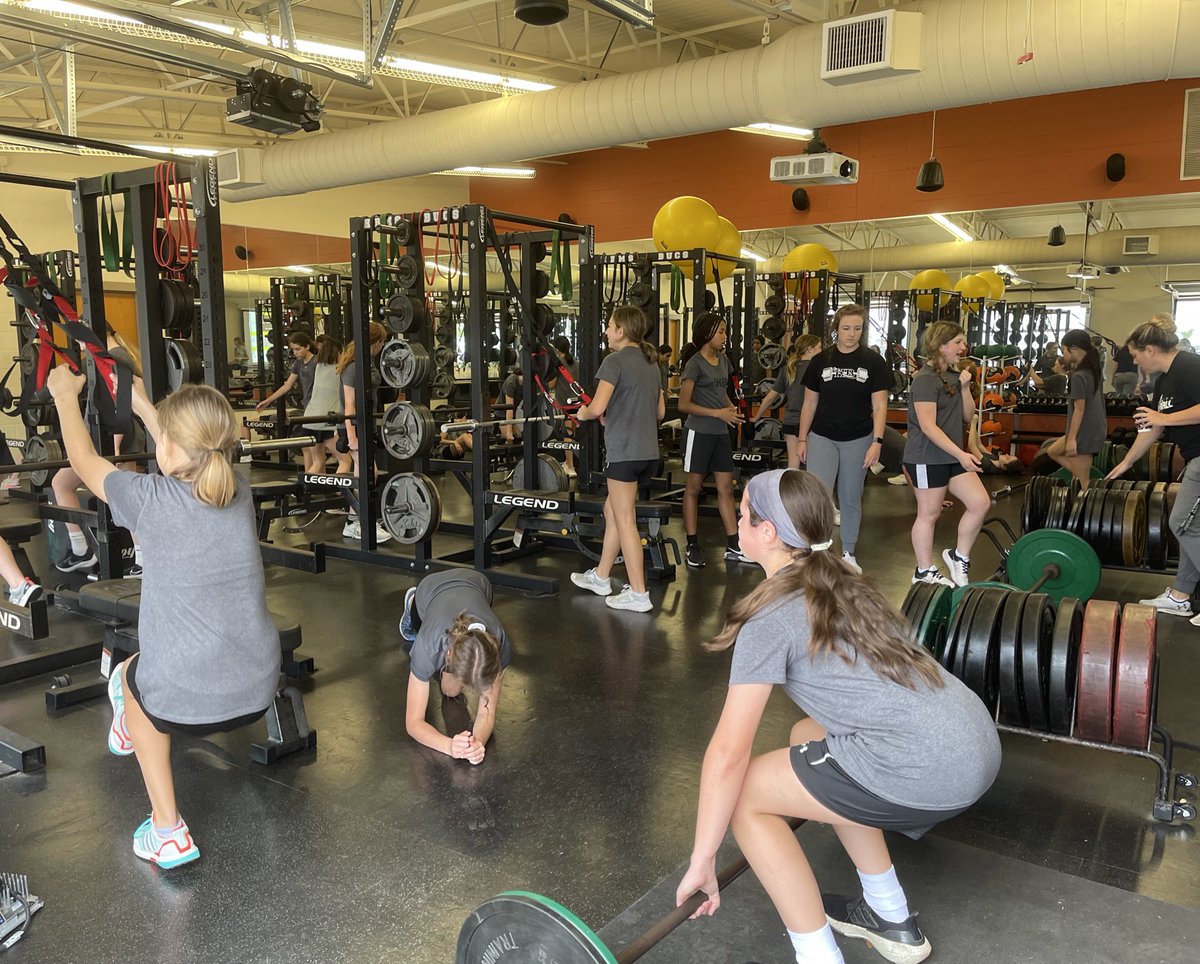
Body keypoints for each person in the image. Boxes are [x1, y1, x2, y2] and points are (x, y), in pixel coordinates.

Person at [676, 469, 1001, 964]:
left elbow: (728, 754)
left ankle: (818, 957)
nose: (736, 522)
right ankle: (889, 913)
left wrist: (704, 858)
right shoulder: (843, 578)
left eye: (743, 514)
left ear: (768, 533)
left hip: (927, 768)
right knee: (806, 734)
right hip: (975, 743)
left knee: (742, 797)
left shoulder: (769, 618)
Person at [46, 368, 279, 868]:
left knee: (135, 687)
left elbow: (83, 461)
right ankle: (128, 713)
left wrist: (64, 395)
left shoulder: (148, 498)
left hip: (186, 695)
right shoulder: (237, 490)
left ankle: (168, 830)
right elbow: (193, 448)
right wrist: (144, 406)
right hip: (260, 687)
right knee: (130, 672)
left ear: (169, 444)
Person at [571, 305, 665, 613]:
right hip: (648, 453)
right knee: (612, 510)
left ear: (621, 331)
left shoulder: (614, 361)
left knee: (625, 519)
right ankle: (601, 577)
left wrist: (582, 413)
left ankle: (638, 594)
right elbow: (660, 412)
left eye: (610, 326)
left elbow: (596, 408)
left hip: (625, 453)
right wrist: (616, 415)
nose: (606, 331)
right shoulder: (651, 363)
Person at [1108, 315, 1200, 622]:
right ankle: (1181, 596)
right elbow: (1153, 428)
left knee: (1181, 523)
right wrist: (1126, 462)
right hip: (1194, 458)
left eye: (1135, 356)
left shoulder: (1189, 366)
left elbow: (1163, 420)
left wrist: (1164, 418)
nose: (1135, 362)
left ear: (1150, 350)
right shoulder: (1163, 381)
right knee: (1192, 527)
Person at [796, 304, 892, 574]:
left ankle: (849, 552)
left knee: (850, 496)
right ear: (836, 328)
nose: (852, 334)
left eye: (857, 328)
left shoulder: (873, 362)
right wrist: (802, 439)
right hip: (822, 436)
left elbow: (880, 406)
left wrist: (877, 441)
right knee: (818, 498)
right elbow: (809, 403)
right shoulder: (821, 360)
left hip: (858, 437)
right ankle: (817, 551)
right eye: (846, 328)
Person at [51, 323, 145, 576]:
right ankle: (82, 550)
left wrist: (115, 449)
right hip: (103, 439)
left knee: (125, 499)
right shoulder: (110, 356)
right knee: (63, 484)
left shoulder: (115, 358)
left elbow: (120, 405)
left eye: (79, 339)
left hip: (114, 439)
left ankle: (142, 559)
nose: (78, 345)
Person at [903, 322, 989, 587]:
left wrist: (965, 388)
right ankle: (923, 570)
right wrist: (962, 454)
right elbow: (928, 427)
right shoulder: (925, 380)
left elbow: (967, 416)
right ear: (941, 346)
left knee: (980, 503)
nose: (964, 347)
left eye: (963, 342)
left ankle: (958, 556)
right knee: (928, 514)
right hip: (926, 457)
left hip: (951, 456)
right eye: (958, 342)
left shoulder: (954, 376)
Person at [398, 570, 510, 764]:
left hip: (478, 583)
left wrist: (477, 744)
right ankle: (411, 602)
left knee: (451, 691)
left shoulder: (499, 642)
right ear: (448, 654)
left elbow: (487, 713)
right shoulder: (428, 644)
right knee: (450, 690)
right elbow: (413, 722)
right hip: (429, 589)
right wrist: (449, 746)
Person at [678, 312, 746, 570]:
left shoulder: (724, 361)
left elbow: (721, 394)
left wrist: (730, 410)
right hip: (699, 432)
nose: (724, 336)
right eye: (721, 332)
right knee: (694, 489)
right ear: (707, 334)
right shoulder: (694, 364)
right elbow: (684, 405)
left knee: (726, 488)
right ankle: (692, 544)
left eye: (725, 331)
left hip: (720, 433)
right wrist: (718, 413)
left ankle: (734, 545)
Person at [338, 322, 392, 544]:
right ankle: (359, 523)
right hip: (354, 427)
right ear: (375, 342)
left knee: (365, 474)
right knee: (369, 474)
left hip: (366, 427)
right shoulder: (353, 367)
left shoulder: (367, 363)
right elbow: (349, 404)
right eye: (382, 342)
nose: (383, 346)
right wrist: (352, 437)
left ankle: (355, 522)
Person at [1045, 329, 1106, 489]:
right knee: (1052, 451)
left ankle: (1086, 484)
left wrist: (1072, 440)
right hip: (1092, 428)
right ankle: (1085, 477)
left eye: (1063, 350)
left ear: (1074, 348)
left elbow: (1079, 410)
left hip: (1084, 432)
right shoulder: (1093, 371)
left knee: (1080, 483)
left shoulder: (1079, 376)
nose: (1063, 354)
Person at [753, 334, 821, 470]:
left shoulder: (788, 369)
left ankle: (789, 485)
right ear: (809, 349)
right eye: (819, 348)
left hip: (790, 421)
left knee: (793, 463)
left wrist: (756, 417)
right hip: (811, 421)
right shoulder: (817, 369)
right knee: (813, 464)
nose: (821, 351)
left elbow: (770, 397)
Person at [301, 335, 351, 476]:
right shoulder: (341, 370)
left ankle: (307, 488)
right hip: (326, 423)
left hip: (309, 420)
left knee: (318, 461)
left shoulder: (319, 367)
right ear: (339, 352)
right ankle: (341, 489)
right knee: (345, 460)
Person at [256, 332, 315, 415]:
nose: (295, 353)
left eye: (298, 349)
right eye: (293, 349)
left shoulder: (317, 362)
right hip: (306, 405)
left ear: (307, 347)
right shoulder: (298, 363)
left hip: (317, 405)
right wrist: (268, 401)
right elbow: (287, 386)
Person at [551, 336, 580, 478]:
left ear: (556, 349)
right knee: (574, 434)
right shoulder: (576, 363)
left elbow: (551, 384)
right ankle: (571, 463)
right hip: (578, 403)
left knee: (568, 435)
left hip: (565, 404)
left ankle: (570, 466)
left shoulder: (558, 365)